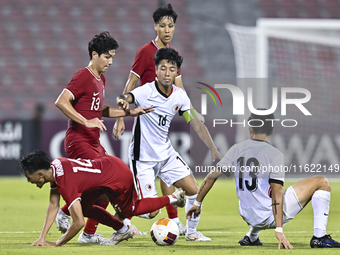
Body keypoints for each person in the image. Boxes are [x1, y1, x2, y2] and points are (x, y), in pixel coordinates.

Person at [186, 111, 340, 249]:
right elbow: (277, 194)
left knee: (261, 191)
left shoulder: (236, 149)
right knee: (322, 181)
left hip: (245, 214)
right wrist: (279, 230)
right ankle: (320, 237)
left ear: (250, 128)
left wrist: (197, 203)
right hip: (266, 216)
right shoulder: (274, 154)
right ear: (272, 130)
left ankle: (251, 236)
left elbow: (210, 177)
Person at [54, 31, 153, 243]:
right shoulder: (83, 76)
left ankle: (89, 234)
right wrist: (85, 121)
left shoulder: (101, 79)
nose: (110, 61)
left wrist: (129, 112)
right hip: (78, 140)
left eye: (113, 57)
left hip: (93, 142)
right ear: (94, 54)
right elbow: (61, 101)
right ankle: (65, 212)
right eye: (107, 56)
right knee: (104, 182)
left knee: (106, 187)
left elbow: (101, 111)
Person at [113, 3, 202, 236]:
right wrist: (120, 116)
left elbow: (179, 88)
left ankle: (179, 223)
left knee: (169, 171)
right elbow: (131, 84)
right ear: (155, 26)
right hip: (146, 121)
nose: (166, 30)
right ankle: (123, 210)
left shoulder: (173, 56)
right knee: (151, 188)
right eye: (162, 25)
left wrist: (190, 111)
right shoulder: (145, 52)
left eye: (170, 26)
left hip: (164, 121)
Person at [117, 47, 221, 241]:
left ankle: (191, 233)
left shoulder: (179, 96)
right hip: (143, 159)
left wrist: (213, 149)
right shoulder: (146, 91)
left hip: (166, 155)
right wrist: (123, 100)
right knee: (150, 213)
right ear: (156, 70)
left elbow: (196, 123)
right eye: (163, 68)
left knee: (194, 191)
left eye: (172, 69)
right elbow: (128, 97)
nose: (167, 73)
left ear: (176, 72)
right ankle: (122, 211)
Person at [19, 150, 185, 247]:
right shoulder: (55, 166)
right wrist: (42, 238)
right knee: (84, 208)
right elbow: (53, 204)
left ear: (40, 175)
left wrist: (56, 243)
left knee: (130, 209)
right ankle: (122, 230)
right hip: (105, 168)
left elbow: (78, 223)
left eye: (29, 177)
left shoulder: (65, 183)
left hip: (117, 175)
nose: (29, 181)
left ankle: (173, 197)